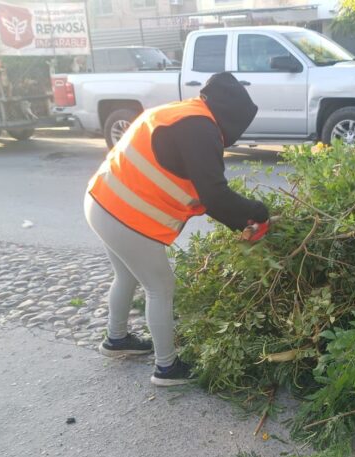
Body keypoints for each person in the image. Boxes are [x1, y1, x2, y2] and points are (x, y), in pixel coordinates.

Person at [84, 72, 270, 387]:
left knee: (127, 276)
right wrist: (256, 214)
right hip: (125, 217)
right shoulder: (201, 129)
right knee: (161, 287)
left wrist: (238, 217)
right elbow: (214, 195)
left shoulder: (183, 113)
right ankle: (167, 368)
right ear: (232, 115)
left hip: (100, 202)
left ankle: (116, 341)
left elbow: (197, 189)